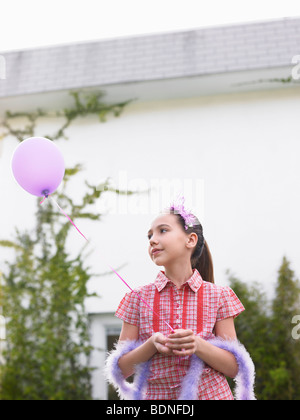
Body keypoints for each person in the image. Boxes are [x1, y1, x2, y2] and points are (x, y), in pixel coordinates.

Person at [109, 198, 249, 400]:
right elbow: (120, 370)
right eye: (149, 235)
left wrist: (198, 344)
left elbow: (235, 368)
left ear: (190, 240)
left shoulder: (219, 296)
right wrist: (151, 345)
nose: (152, 240)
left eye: (162, 231)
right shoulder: (136, 298)